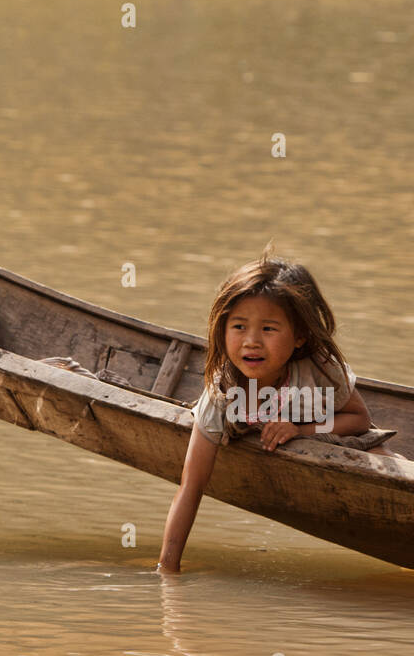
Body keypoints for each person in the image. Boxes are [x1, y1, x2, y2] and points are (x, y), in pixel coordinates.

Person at [157, 244, 401, 573]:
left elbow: (359, 420)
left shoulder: (318, 370)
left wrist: (301, 430)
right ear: (223, 329)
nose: (251, 342)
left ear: (299, 336)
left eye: (268, 329)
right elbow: (191, 485)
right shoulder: (222, 395)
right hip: (262, 427)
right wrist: (167, 569)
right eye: (239, 327)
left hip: (320, 431)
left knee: (389, 462)